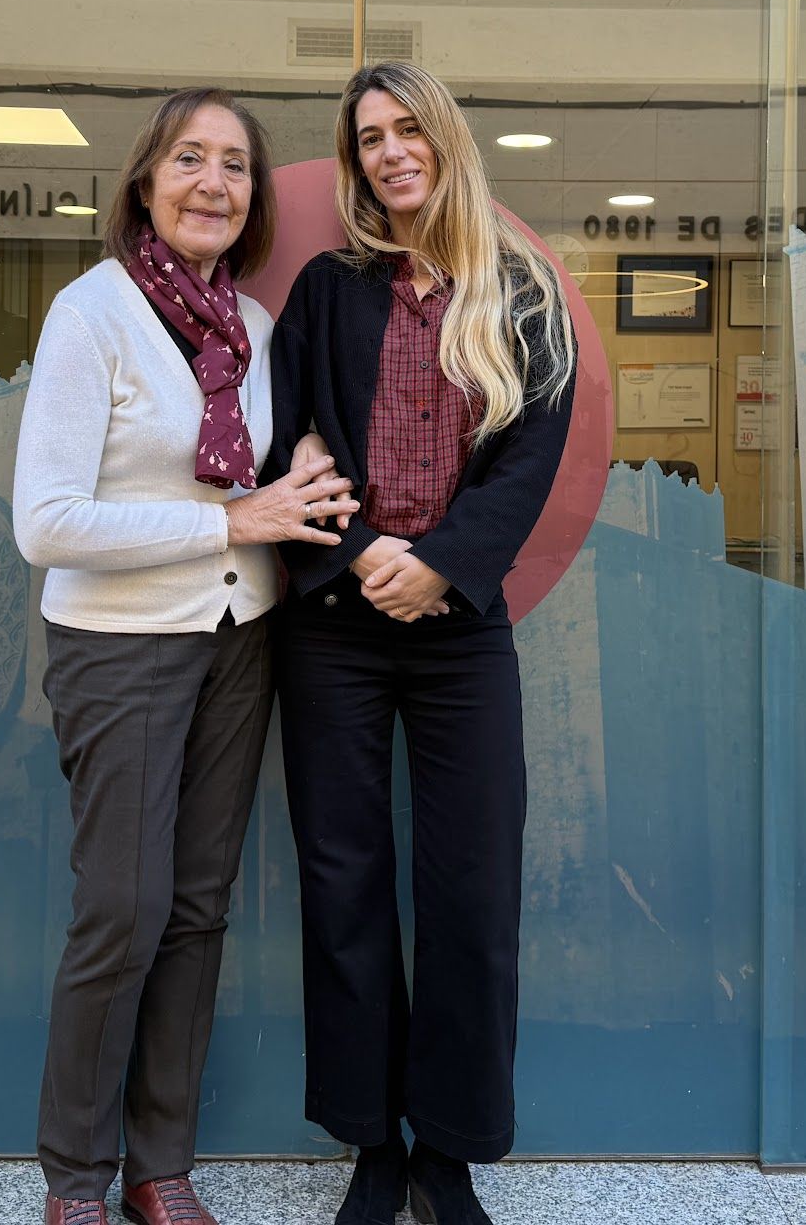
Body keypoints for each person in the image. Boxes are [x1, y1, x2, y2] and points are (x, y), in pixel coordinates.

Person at [13, 88, 359, 1225]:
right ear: (146, 180)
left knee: (200, 907)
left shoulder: (252, 331)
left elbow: (278, 485)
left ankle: (162, 1165)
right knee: (123, 905)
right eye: (190, 159)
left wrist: (299, 496)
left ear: (254, 197)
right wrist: (235, 522)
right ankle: (75, 1179)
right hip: (119, 649)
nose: (214, 183)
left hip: (237, 641)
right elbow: (46, 522)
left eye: (236, 166)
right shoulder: (91, 315)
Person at [266, 62, 577, 1225]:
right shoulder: (327, 290)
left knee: (471, 886)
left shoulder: (524, 294)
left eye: (408, 131)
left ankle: (446, 1147)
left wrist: (441, 560)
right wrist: (354, 560)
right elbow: (281, 441)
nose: (391, 152)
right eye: (369, 140)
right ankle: (371, 1144)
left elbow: (530, 461)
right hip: (337, 629)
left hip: (461, 634)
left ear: (445, 140)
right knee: (344, 882)